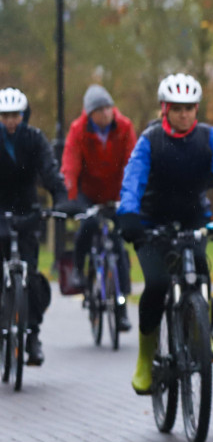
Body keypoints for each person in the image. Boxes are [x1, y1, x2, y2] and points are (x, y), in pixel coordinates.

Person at [117, 73, 213, 395]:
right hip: (152, 223)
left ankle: (202, 332)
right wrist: (128, 217)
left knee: (200, 272)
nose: (184, 114)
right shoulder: (150, 140)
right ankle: (145, 358)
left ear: (197, 109)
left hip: (193, 219)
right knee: (157, 284)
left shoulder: (210, 138)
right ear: (165, 108)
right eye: (177, 108)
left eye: (190, 108)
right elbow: (132, 182)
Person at [0, 87, 78, 366]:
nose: (10, 121)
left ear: (24, 115)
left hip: (27, 211)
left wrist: (60, 199)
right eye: (5, 116)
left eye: (15, 115)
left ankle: (32, 334)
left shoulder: (34, 139)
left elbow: (49, 170)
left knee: (31, 276)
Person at [61, 84, 137, 331]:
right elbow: (70, 162)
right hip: (88, 193)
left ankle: (122, 308)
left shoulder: (124, 127)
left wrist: (131, 196)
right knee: (88, 225)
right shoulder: (78, 129)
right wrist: (70, 197)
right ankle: (79, 270)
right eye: (100, 110)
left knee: (117, 243)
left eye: (108, 107)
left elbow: (133, 162)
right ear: (90, 113)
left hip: (116, 193)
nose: (106, 113)